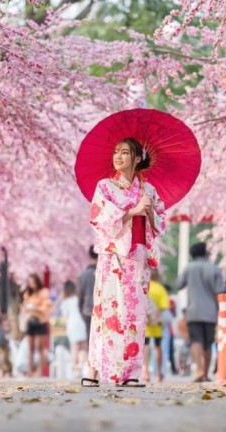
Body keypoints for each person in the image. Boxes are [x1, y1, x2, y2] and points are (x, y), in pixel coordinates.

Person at [82, 137, 166, 387]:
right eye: (116, 152)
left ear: (137, 158)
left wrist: (150, 213)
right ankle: (94, 369)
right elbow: (99, 217)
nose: (118, 156)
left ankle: (130, 372)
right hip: (113, 256)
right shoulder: (105, 187)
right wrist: (131, 211)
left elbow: (160, 222)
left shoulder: (148, 190)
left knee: (135, 313)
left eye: (125, 153)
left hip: (138, 256)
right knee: (106, 311)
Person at [177, 242, 226, 383]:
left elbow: (179, 285)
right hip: (210, 312)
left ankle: (198, 370)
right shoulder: (214, 269)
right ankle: (205, 373)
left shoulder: (189, 268)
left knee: (196, 340)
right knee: (207, 343)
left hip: (193, 311)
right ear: (206, 253)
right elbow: (221, 290)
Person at [142, 270, 171, 383]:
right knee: (158, 347)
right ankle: (159, 372)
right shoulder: (161, 289)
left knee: (146, 346)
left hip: (146, 321)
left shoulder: (145, 286)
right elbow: (165, 306)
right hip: (157, 322)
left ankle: (145, 371)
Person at [22, 273, 52, 377]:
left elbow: (47, 306)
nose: (32, 285)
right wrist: (27, 309)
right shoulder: (27, 294)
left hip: (40, 321)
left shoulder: (44, 292)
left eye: (33, 283)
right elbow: (25, 307)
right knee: (30, 348)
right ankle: (30, 371)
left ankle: (39, 371)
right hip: (30, 321)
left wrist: (36, 308)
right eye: (30, 283)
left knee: (40, 348)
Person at [60, 280, 88, 377]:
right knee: (83, 346)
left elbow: (64, 314)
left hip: (71, 324)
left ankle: (75, 368)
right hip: (81, 323)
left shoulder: (66, 301)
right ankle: (80, 365)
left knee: (74, 346)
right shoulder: (78, 299)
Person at [77, 245, 98, 341]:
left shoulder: (83, 275)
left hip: (87, 310)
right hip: (103, 310)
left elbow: (80, 295)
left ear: (89, 256)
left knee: (90, 341)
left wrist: (82, 311)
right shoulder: (104, 273)